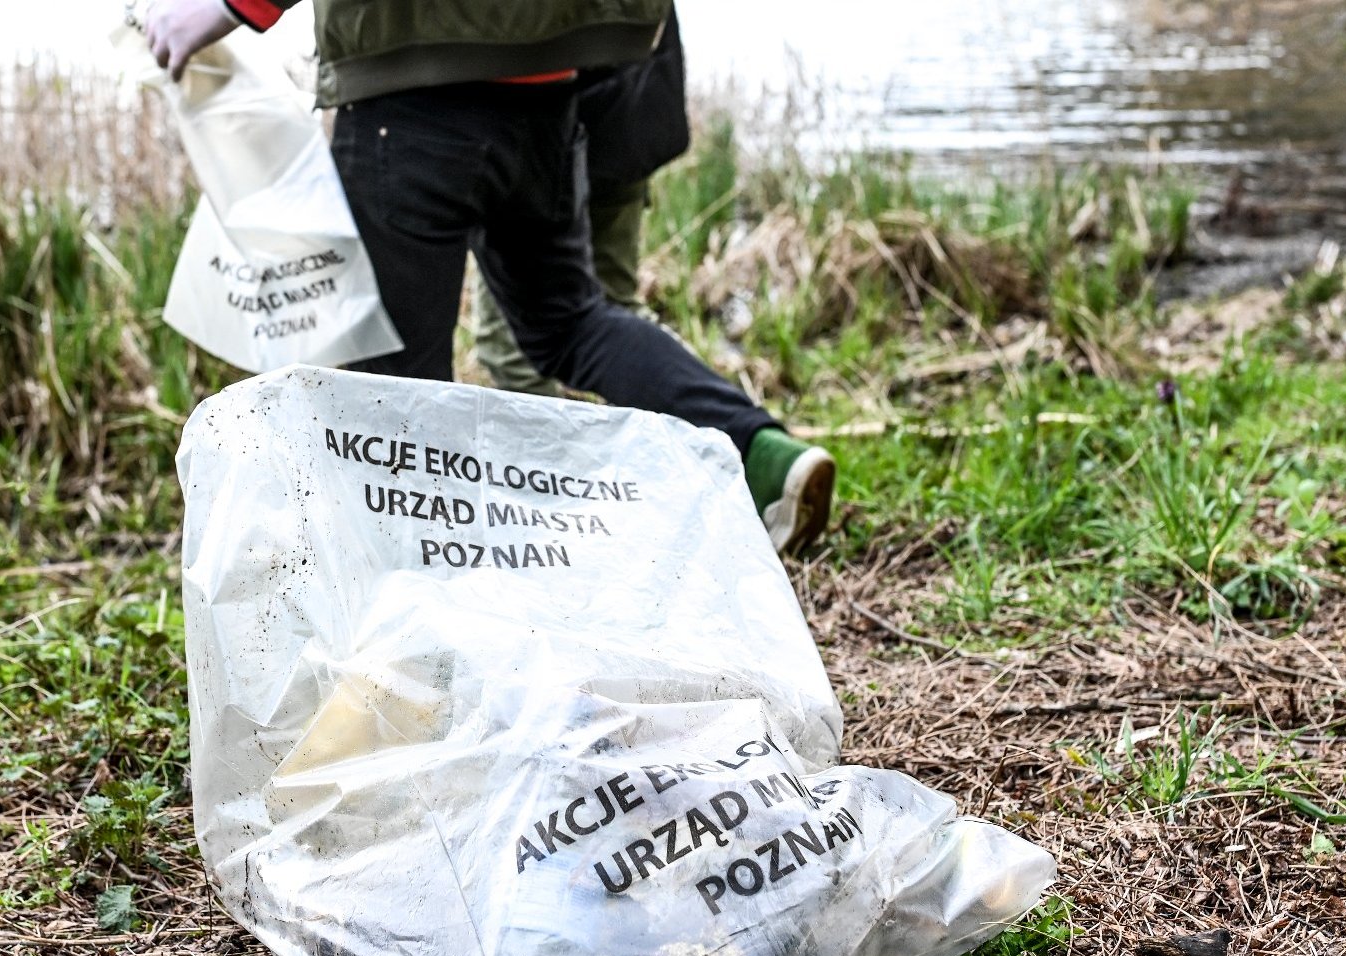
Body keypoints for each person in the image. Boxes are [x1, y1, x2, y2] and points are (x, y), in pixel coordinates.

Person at [145, 0, 836, 552]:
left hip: (408, 100)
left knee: (393, 384)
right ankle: (762, 453)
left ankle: (421, 609)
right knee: (571, 323)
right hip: (547, 88)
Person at [468, 9, 688, 399]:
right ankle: (713, 418)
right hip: (622, 114)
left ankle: (706, 417)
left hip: (544, 132)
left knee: (512, 345)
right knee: (614, 314)